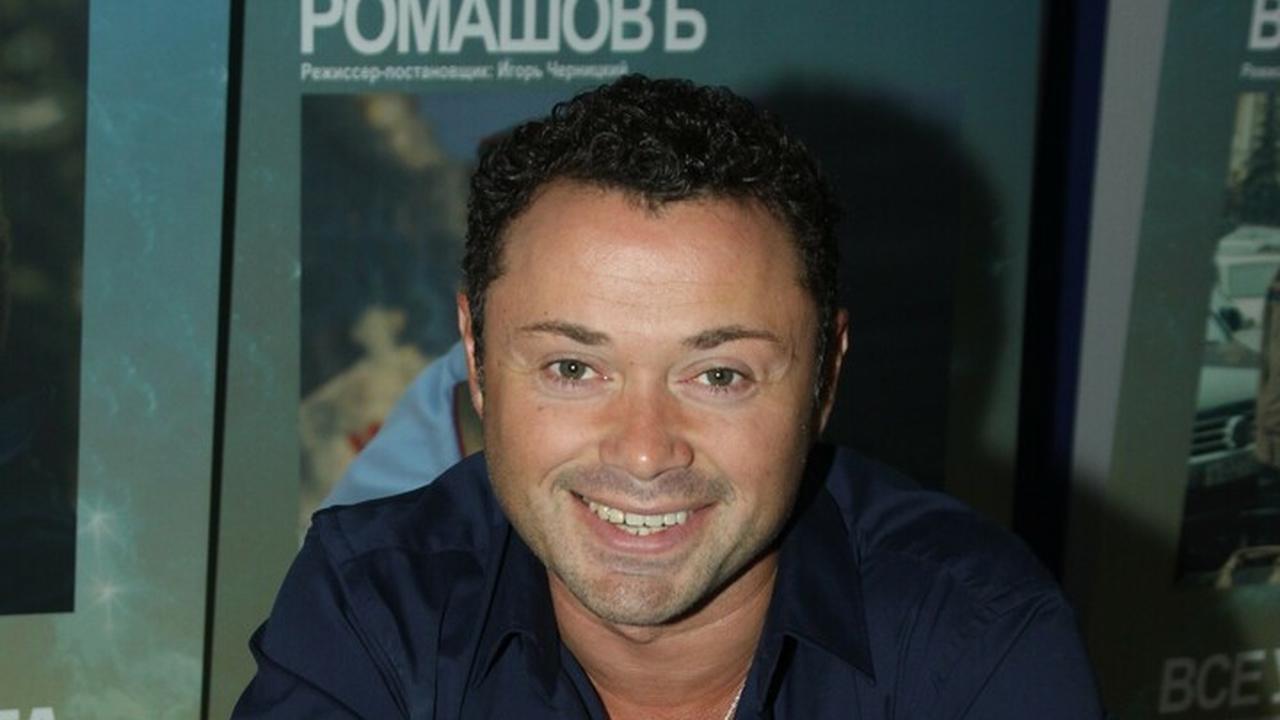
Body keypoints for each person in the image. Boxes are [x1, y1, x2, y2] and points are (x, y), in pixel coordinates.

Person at [234, 75, 1104, 718]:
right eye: (573, 369)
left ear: (826, 377)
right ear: (477, 356)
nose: (646, 450)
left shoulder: (974, 637)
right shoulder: (372, 608)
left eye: (719, 376)